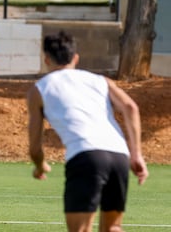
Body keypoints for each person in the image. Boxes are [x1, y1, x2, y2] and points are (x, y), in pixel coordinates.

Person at [27, 31, 149, 232]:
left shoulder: (39, 90)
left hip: (86, 157)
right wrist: (136, 155)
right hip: (119, 156)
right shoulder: (100, 80)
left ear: (46, 59)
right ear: (75, 58)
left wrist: (40, 166)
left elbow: (34, 148)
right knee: (112, 228)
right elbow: (130, 108)